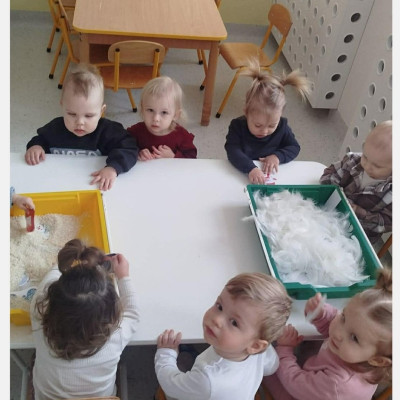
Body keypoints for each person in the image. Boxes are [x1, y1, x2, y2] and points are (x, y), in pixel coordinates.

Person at [30, 239, 139, 399]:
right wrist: (123, 276)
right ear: (111, 311)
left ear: (52, 300)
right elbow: (132, 312)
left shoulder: (39, 318)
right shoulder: (115, 337)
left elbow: (52, 275)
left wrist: (64, 265)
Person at [154, 272, 292, 400]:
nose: (217, 320)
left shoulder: (208, 380)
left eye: (234, 322)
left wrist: (166, 353)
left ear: (255, 346)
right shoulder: (260, 350)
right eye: (220, 306)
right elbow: (272, 366)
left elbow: (170, 385)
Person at [263, 268, 392, 400]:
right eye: (344, 317)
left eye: (354, 338)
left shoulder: (337, 384)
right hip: (312, 377)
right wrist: (320, 313)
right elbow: (335, 320)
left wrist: (285, 349)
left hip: (296, 392)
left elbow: (294, 382)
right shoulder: (356, 345)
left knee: (262, 358)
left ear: (377, 360)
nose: (338, 333)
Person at [24, 63, 139, 191]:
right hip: (59, 185)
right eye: (72, 114)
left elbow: (129, 148)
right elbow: (40, 139)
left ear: (101, 111)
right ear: (62, 105)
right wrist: (36, 146)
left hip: (95, 186)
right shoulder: (55, 128)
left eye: (88, 116)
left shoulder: (108, 131)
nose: (79, 122)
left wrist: (113, 168)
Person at [225, 62, 311, 184]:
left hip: (272, 176)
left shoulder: (282, 126)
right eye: (258, 125)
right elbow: (232, 150)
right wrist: (251, 168)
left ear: (280, 115)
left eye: (271, 125)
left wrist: (277, 156)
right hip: (242, 172)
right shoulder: (237, 126)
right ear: (246, 112)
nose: (265, 131)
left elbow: (294, 147)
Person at [320, 120, 392, 244]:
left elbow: (387, 224)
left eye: (377, 166)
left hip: (357, 236)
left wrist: (360, 212)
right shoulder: (353, 160)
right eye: (366, 157)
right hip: (329, 214)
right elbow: (329, 175)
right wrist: (335, 191)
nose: (367, 166)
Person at [127, 76, 197, 160]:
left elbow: (192, 158)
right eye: (150, 110)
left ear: (175, 115)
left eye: (164, 112)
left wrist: (173, 156)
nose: (156, 118)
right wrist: (137, 153)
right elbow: (123, 146)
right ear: (142, 109)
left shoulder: (181, 135)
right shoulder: (136, 132)